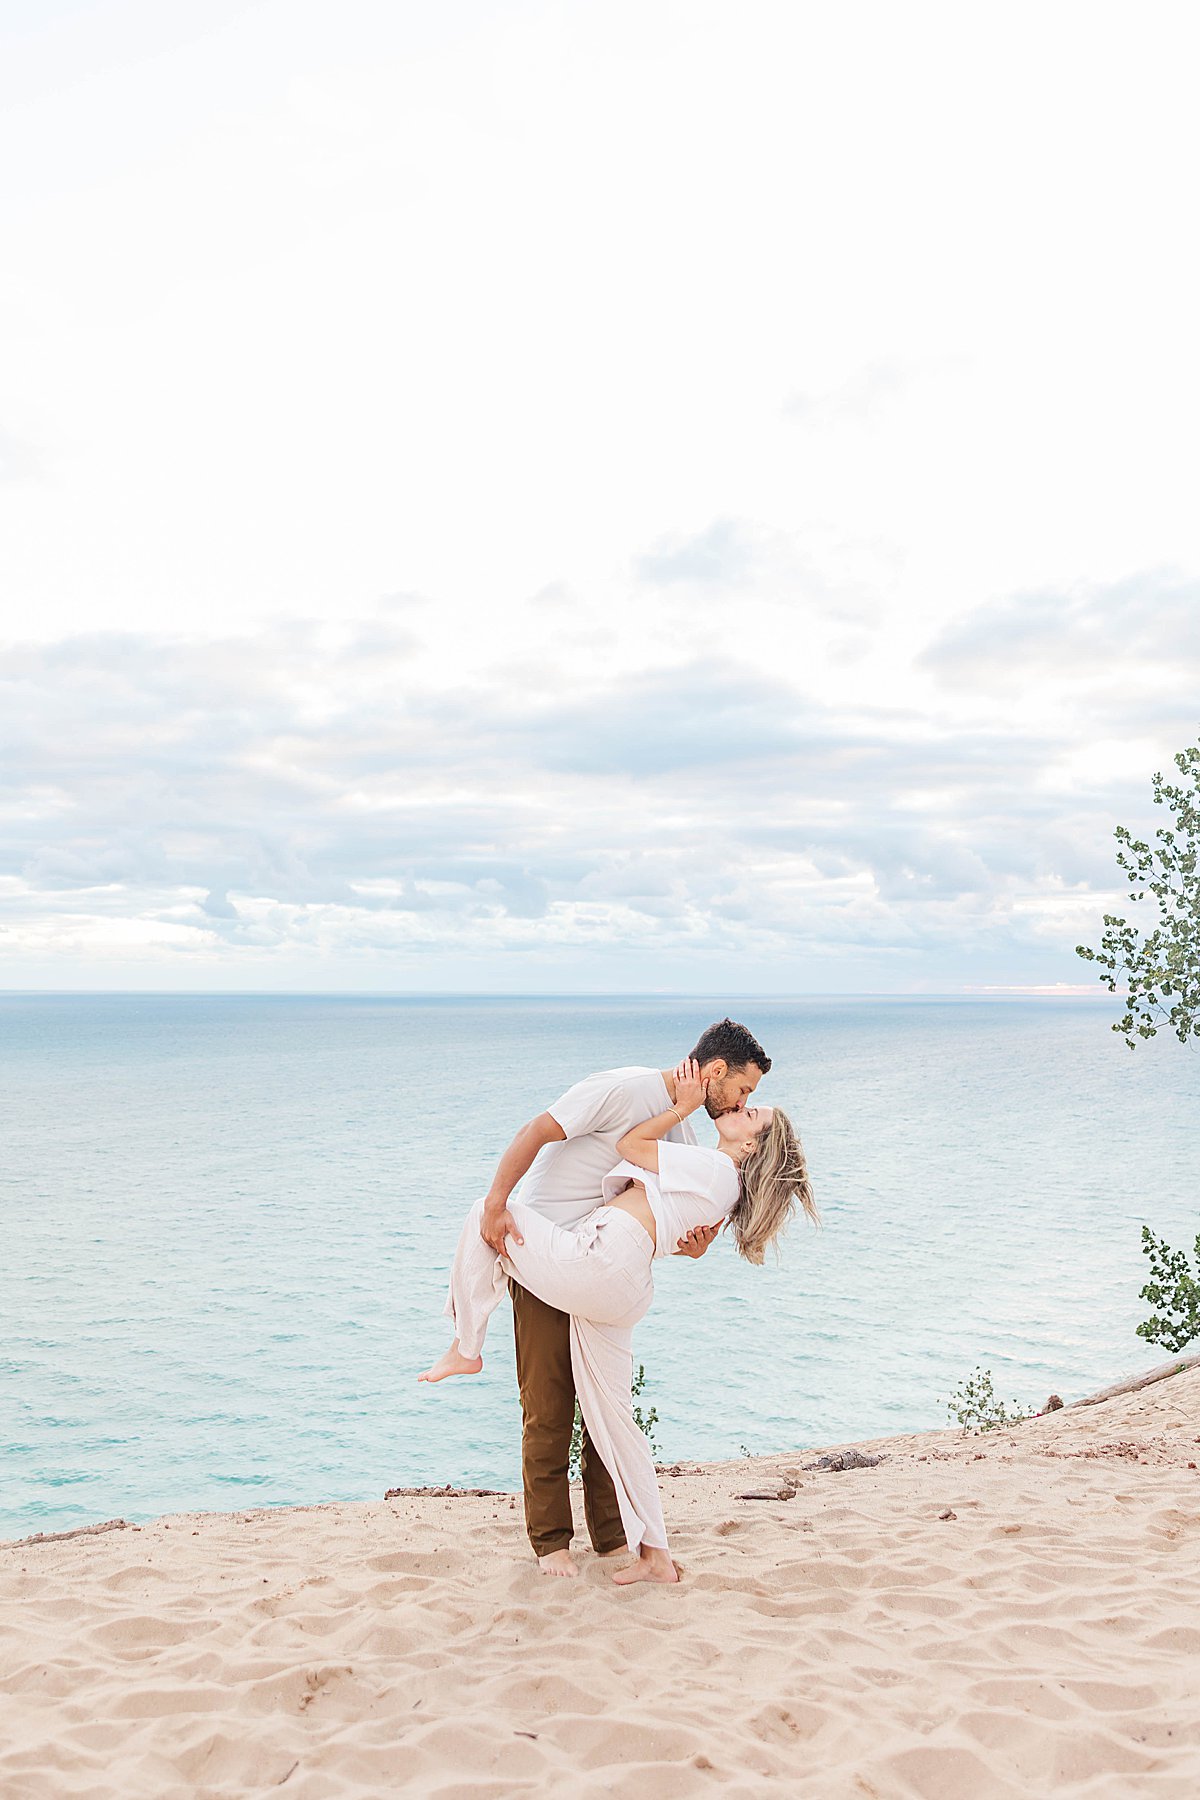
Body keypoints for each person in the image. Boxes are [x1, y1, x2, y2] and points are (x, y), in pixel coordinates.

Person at [419, 1059, 817, 1587]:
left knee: (484, 1215)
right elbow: (676, 1232)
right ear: (717, 1068)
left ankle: (466, 1345)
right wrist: (690, 1247)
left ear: (750, 1147)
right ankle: (653, 1553)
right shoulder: (710, 1167)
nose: (744, 1104)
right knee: (612, 1419)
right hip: (622, 1282)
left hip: (598, 1262)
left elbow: (631, 1149)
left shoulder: (712, 1164)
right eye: (746, 1093)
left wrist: (681, 1108)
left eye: (753, 1108)